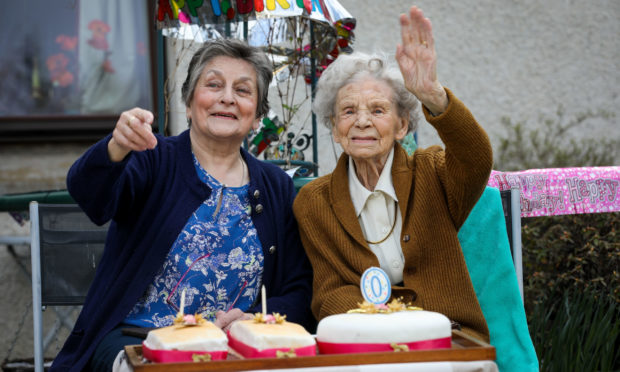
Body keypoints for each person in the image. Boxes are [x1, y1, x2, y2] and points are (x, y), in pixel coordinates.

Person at [51, 38, 315, 372]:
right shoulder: (153, 158)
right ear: (189, 103)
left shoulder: (275, 185)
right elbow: (90, 194)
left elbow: (299, 286)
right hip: (138, 339)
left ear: (257, 115)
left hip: (234, 350)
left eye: (243, 90)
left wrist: (255, 319)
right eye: (214, 84)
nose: (227, 98)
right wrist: (117, 146)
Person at [293, 6, 493, 342]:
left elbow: (476, 158)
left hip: (450, 339)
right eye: (348, 111)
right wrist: (386, 322)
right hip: (367, 341)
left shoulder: (431, 172)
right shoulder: (314, 202)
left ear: (402, 126)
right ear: (335, 128)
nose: (361, 121)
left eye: (377, 109)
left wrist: (433, 96)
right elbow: (329, 294)